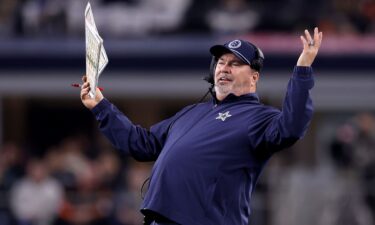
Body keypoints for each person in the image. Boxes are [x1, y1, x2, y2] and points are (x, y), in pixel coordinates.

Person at [80, 27, 323, 225]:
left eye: (236, 64)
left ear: (254, 77)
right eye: (221, 62)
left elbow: (292, 127)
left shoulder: (260, 117)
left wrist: (302, 69)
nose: (224, 68)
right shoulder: (192, 112)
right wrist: (100, 106)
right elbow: (141, 144)